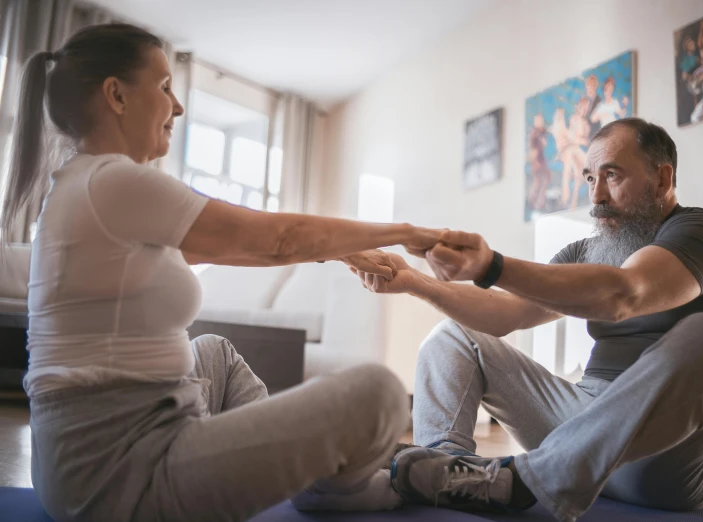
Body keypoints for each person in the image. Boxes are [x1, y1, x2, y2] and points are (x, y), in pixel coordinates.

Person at [0, 23, 455, 522]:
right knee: (381, 394)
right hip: (120, 476)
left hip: (90, 457)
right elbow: (275, 239)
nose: (176, 107)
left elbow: (255, 251)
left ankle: (318, 475)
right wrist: (405, 233)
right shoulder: (113, 182)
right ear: (116, 95)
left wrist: (343, 253)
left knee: (212, 352)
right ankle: (331, 486)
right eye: (165, 87)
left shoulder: (86, 185)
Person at [351, 118, 703, 522]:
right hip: (578, 424)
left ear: (662, 178)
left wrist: (490, 265)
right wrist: (415, 282)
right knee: (455, 337)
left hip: (669, 463)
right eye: (588, 178)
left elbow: (625, 293)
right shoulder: (586, 250)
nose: (596, 195)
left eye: (611, 175)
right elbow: (508, 312)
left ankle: (526, 479)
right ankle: (450, 471)